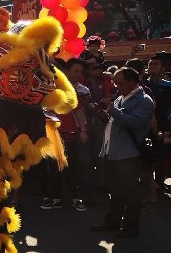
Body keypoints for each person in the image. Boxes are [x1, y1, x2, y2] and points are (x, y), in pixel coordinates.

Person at [93, 67, 153, 237]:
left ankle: (131, 227)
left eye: (121, 83)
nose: (117, 86)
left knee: (131, 192)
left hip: (128, 154)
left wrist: (112, 111)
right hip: (113, 152)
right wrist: (105, 115)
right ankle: (112, 222)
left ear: (133, 82)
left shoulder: (144, 100)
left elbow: (134, 123)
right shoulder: (121, 98)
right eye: (115, 83)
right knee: (116, 191)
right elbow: (117, 121)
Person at [42, 59, 89, 211]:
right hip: (52, 136)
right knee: (53, 169)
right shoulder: (42, 90)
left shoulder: (68, 90)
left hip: (71, 135)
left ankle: (76, 198)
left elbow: (78, 110)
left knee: (73, 168)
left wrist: (83, 130)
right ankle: (56, 199)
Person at [143, 53, 171, 200]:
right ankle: (149, 186)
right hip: (145, 124)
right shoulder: (143, 83)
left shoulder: (169, 86)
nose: (152, 66)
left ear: (163, 68)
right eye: (150, 64)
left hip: (163, 124)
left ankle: (159, 183)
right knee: (147, 155)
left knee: (161, 155)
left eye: (155, 64)